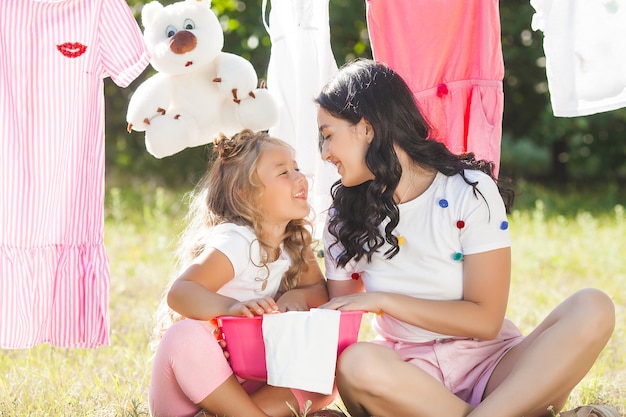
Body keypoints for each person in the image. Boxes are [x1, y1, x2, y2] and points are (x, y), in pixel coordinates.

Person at [315, 59, 617, 417]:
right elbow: (336, 322)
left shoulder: (468, 192)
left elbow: (485, 321)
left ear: (366, 128)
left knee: (592, 306)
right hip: (410, 379)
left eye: (328, 134)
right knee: (357, 362)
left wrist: (385, 300)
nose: (324, 153)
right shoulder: (343, 217)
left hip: (494, 370)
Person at [148, 130, 345, 417]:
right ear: (247, 194)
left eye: (296, 168)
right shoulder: (237, 241)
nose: (300, 178)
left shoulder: (292, 243)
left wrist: (295, 296)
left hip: (248, 386)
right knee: (184, 335)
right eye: (283, 173)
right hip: (194, 388)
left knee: (331, 366)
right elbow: (181, 293)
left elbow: (318, 291)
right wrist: (231, 308)